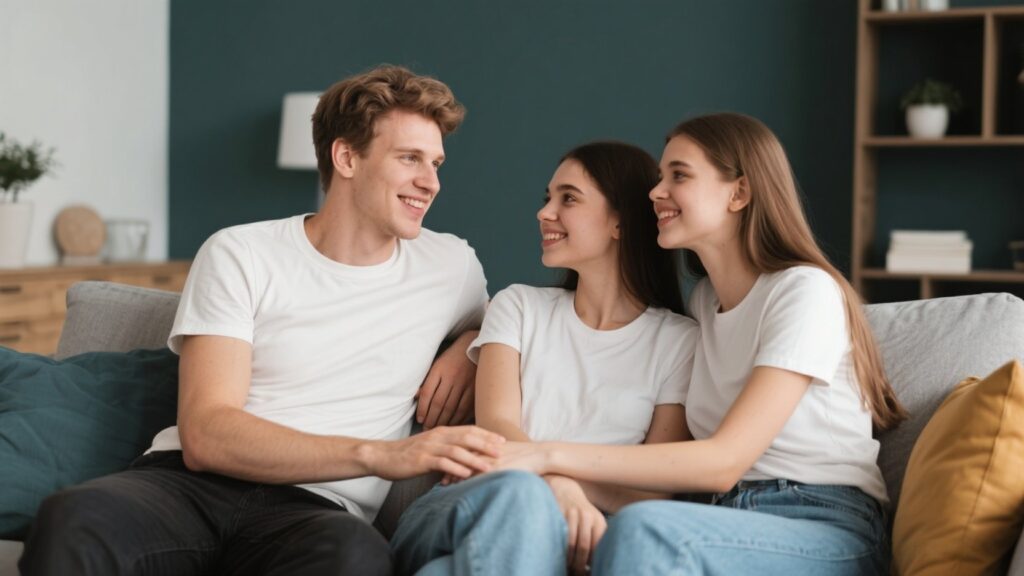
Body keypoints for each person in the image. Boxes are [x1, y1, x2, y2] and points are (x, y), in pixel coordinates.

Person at [19, 65, 506, 576]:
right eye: (410, 158)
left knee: (355, 558)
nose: (430, 183)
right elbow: (208, 434)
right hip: (185, 488)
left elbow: (516, 319)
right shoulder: (242, 252)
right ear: (346, 157)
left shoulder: (450, 267)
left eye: (436, 163)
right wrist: (383, 455)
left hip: (316, 511)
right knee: (75, 517)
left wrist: (471, 344)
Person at [493, 113, 909, 575]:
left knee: (641, 530)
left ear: (740, 193)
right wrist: (469, 337)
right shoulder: (705, 303)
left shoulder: (803, 290)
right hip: (721, 520)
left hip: (820, 521)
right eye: (660, 177)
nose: (655, 192)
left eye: (679, 175)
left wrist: (548, 455)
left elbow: (724, 461)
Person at [390, 141, 699, 576]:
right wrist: (557, 486)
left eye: (568, 199)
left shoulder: (679, 341)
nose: (545, 212)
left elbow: (651, 491)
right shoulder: (518, 306)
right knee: (521, 493)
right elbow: (497, 431)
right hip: (471, 503)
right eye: (548, 198)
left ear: (620, 223)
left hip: (580, 537)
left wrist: (560, 483)